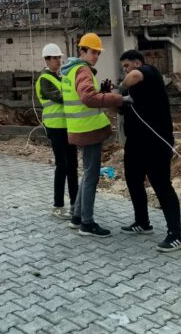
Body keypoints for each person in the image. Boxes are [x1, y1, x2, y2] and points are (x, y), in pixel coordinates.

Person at [119, 49, 181, 252]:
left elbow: (135, 76)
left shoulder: (150, 73)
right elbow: (120, 109)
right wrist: (111, 98)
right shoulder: (133, 91)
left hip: (157, 142)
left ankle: (176, 235)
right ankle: (143, 222)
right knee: (132, 179)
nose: (125, 71)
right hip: (136, 143)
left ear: (137, 63)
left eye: (126, 66)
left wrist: (120, 87)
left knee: (162, 186)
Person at [61, 33, 126, 237]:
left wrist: (102, 91)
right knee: (91, 176)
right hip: (88, 130)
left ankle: (77, 217)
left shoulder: (70, 70)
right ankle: (87, 224)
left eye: (98, 53)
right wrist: (117, 99)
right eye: (93, 52)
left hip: (79, 128)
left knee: (87, 174)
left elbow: (84, 96)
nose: (96, 56)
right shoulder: (82, 69)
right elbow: (88, 98)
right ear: (82, 51)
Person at [35, 43, 78, 219]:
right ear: (47, 59)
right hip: (55, 128)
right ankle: (58, 206)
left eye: (59, 58)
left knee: (73, 166)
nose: (59, 61)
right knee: (62, 166)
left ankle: (76, 203)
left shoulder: (59, 77)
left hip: (68, 126)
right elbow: (60, 98)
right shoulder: (44, 79)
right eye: (55, 58)